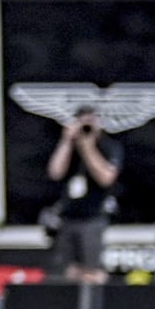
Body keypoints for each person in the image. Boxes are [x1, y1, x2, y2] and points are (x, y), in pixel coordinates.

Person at [43, 106, 121, 282]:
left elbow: (106, 178)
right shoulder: (69, 147)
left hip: (93, 217)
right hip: (67, 218)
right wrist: (67, 141)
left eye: (90, 123)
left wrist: (88, 148)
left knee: (92, 272)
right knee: (66, 272)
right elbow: (55, 172)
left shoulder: (108, 146)